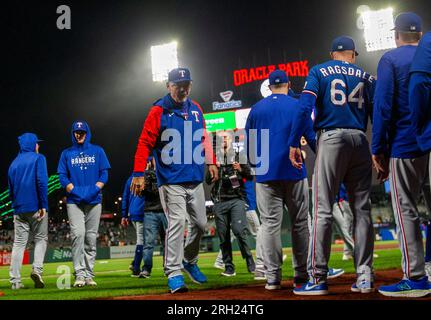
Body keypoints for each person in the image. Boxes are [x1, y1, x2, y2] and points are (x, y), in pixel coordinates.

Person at [289, 36, 375, 295]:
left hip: (332, 137)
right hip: (360, 139)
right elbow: (378, 112)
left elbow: (304, 108)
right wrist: (380, 147)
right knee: (362, 210)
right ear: (353, 54)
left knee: (323, 210)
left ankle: (317, 277)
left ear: (332, 53)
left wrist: (295, 142)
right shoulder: (366, 76)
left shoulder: (319, 70)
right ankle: (364, 277)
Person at [129, 68, 218, 293]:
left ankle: (189, 260)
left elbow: (204, 137)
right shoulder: (159, 110)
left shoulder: (196, 108)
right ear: (168, 86)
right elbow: (144, 143)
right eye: (178, 84)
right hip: (170, 179)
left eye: (186, 83)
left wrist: (212, 161)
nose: (183, 88)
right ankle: (174, 273)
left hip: (195, 178)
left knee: (200, 224)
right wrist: (139, 173)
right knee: (177, 223)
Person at [372, 12, 431, 298]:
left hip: (406, 144)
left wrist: (378, 149)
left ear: (396, 35)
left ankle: (416, 278)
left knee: (405, 209)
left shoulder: (391, 60)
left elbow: (383, 107)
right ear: (420, 34)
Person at [245, 70, 317, 291]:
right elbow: (312, 137)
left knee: (269, 225)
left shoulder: (256, 109)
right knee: (300, 224)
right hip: (294, 171)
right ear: (288, 83)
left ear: (269, 87)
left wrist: (256, 168)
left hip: (265, 174)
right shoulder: (297, 105)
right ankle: (301, 275)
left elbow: (248, 145)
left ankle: (273, 278)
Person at [58, 121, 111, 287]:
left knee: (90, 238)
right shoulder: (66, 153)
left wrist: (94, 190)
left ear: (87, 132)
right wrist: (75, 191)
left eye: (82, 131)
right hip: (74, 201)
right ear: (72, 133)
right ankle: (79, 274)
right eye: (76, 132)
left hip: (94, 200)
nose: (79, 134)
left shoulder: (98, 150)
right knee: (78, 235)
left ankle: (89, 275)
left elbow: (104, 174)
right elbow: (62, 177)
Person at [206, 130, 255, 277]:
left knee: (239, 231)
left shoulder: (240, 155)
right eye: (221, 138)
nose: (224, 140)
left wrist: (240, 168)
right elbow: (208, 180)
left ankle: (249, 260)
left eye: (226, 137)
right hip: (220, 201)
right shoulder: (214, 159)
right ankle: (229, 267)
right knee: (223, 236)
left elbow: (250, 175)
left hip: (236, 199)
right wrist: (214, 170)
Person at [8, 133, 48, 290]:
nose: (38, 146)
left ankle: (15, 281)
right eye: (36, 143)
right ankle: (37, 270)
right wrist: (43, 204)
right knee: (41, 238)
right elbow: (41, 182)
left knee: (18, 244)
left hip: (18, 209)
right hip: (36, 206)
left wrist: (15, 206)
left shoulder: (13, 164)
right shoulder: (39, 158)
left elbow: (11, 190)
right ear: (31, 144)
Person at [140, 158, 167, 278]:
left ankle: (169, 268)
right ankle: (146, 269)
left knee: (168, 242)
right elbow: (142, 191)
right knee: (148, 243)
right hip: (150, 211)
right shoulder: (146, 173)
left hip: (165, 211)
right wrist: (146, 174)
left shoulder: (167, 171)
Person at [121, 173, 145, 277]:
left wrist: (124, 215)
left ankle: (135, 263)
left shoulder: (130, 179)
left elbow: (125, 197)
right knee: (142, 240)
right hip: (141, 211)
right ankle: (136, 268)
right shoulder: (147, 177)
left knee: (143, 239)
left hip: (132, 212)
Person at [332, 184, 355, 261]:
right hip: (344, 199)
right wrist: (341, 198)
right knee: (346, 226)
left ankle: (350, 252)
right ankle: (349, 252)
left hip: (342, 199)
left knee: (347, 226)